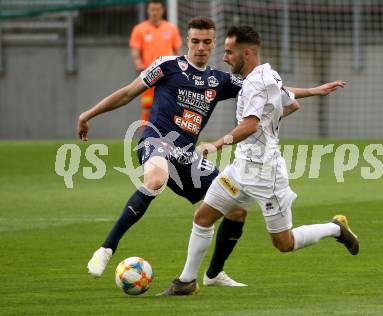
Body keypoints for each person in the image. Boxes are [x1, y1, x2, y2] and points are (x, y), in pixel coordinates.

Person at [78, 16, 345, 287]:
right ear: (187, 41)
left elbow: (271, 91)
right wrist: (89, 114)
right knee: (155, 181)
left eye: (207, 42)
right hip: (157, 140)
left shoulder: (219, 80)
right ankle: (106, 249)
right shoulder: (167, 66)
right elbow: (127, 93)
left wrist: (312, 91)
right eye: (195, 41)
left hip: (188, 154)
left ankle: (214, 273)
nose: (201, 47)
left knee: (235, 208)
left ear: (214, 44)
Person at [159, 25, 355, 296]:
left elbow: (250, 126)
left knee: (284, 243)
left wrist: (217, 144)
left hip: (266, 174)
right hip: (240, 168)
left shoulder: (256, 83)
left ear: (246, 53)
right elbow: (291, 104)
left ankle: (334, 228)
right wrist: (310, 93)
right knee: (203, 216)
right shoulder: (268, 74)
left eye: (229, 52)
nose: (225, 57)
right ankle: (186, 282)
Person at [129, 0, 182, 125]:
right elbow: (135, 51)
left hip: (168, 75)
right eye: (152, 10)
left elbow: (178, 51)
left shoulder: (171, 28)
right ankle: (147, 137)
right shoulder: (139, 29)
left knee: (169, 106)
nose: (155, 13)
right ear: (148, 11)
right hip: (149, 73)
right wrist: (138, 62)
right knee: (148, 107)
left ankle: (166, 138)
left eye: (157, 10)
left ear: (162, 11)